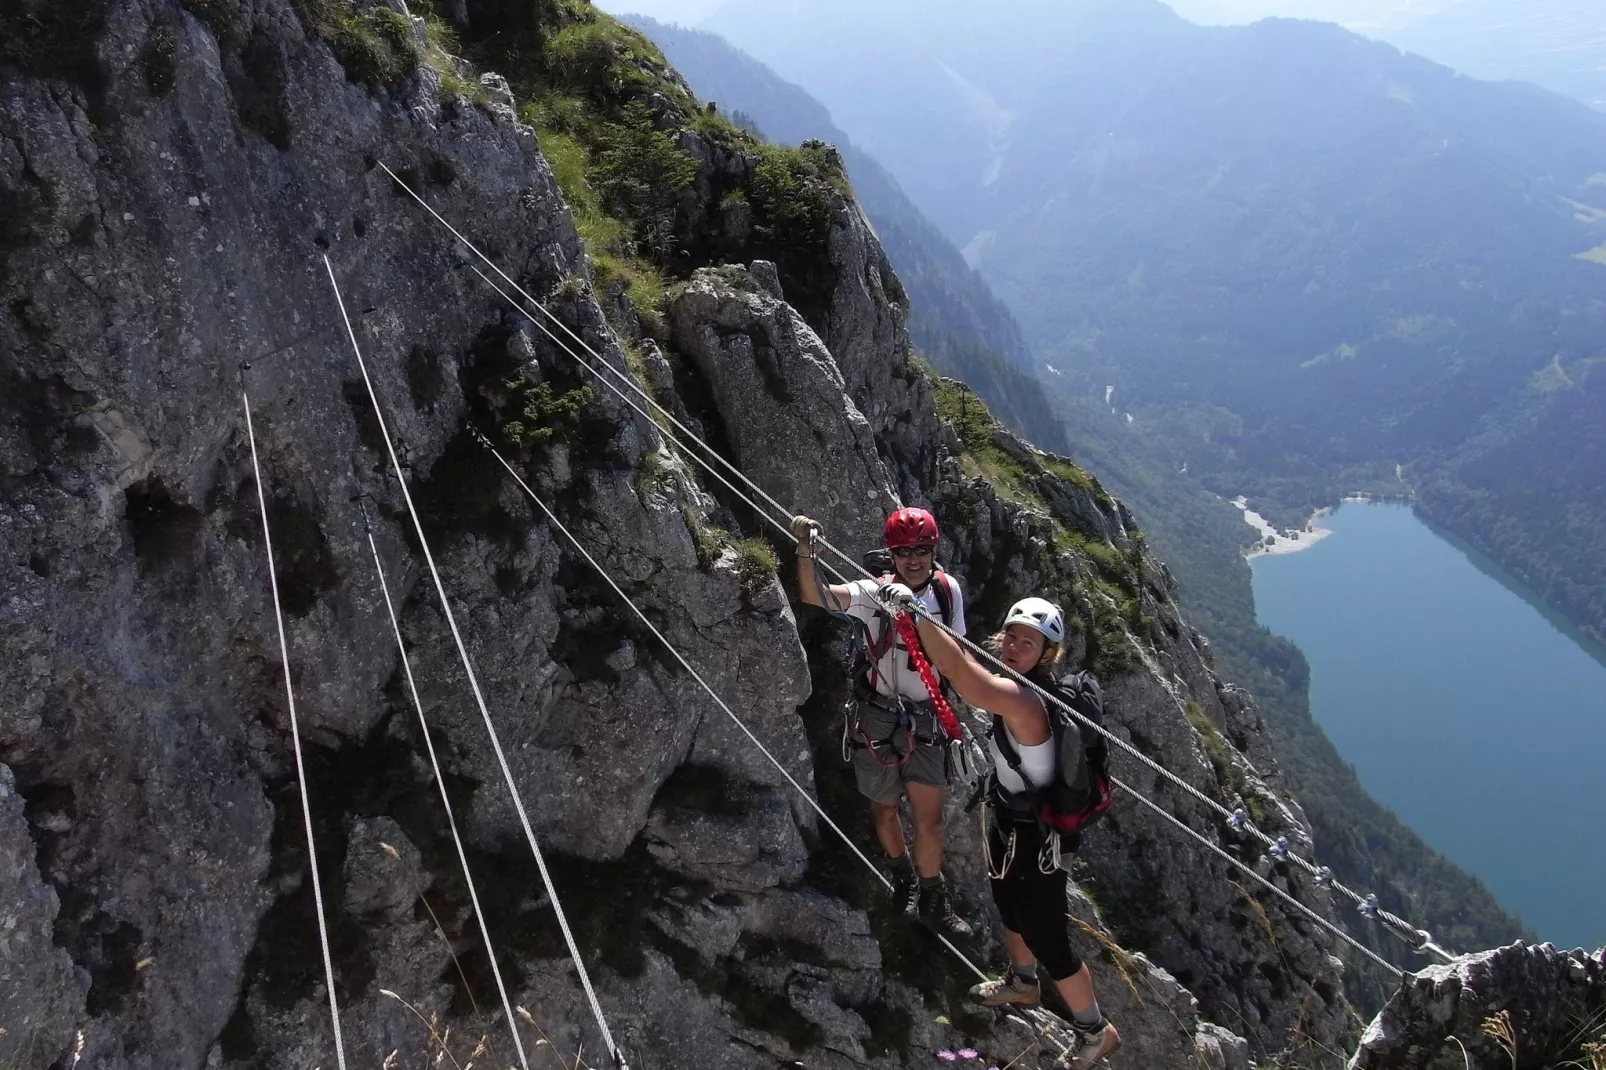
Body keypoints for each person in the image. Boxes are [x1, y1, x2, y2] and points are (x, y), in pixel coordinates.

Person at [897, 591, 1121, 1069]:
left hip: (1037, 838)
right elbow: (964, 670)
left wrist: (915, 614)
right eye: (1012, 637)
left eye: (1028, 642)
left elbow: (962, 676)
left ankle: (1095, 1030)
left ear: (1048, 654)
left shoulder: (1026, 700)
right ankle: (1023, 982)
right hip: (1009, 821)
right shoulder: (1018, 685)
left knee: (1048, 936)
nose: (1015, 647)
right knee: (1009, 907)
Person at [789, 507, 973, 939]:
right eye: (904, 551)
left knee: (930, 822)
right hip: (877, 716)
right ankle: (903, 875)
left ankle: (932, 897)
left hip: (926, 718)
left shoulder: (947, 592)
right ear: (891, 554)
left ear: (933, 550)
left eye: (922, 550)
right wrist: (805, 551)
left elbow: (959, 655)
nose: (914, 559)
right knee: (885, 809)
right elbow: (818, 596)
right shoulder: (874, 593)